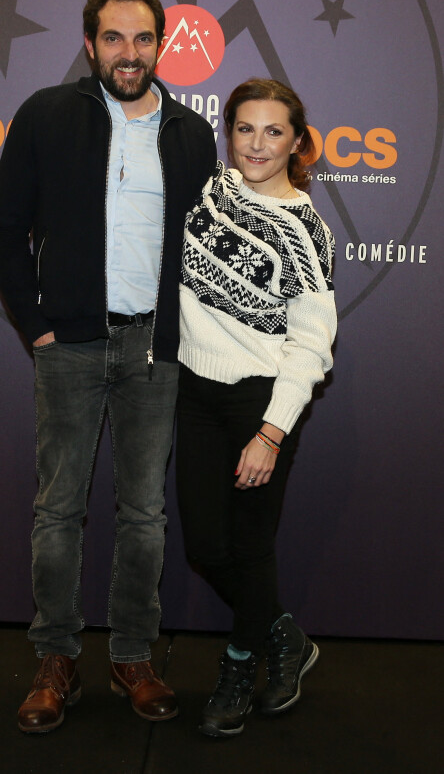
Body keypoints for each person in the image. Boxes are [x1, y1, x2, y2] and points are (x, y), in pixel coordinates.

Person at [0, 0, 217, 733]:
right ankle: (56, 659)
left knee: (144, 515)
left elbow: (201, 247)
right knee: (58, 510)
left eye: (143, 38)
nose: (128, 53)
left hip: (156, 348)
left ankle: (130, 656)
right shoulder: (47, 115)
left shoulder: (190, 133)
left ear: (161, 45)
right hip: (71, 345)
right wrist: (37, 324)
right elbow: (8, 226)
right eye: (113, 38)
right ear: (90, 44)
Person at [176, 78, 336, 738]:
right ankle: (284, 637)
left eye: (274, 132)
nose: (258, 144)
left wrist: (270, 433)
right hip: (194, 393)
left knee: (248, 547)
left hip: (260, 404)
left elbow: (312, 343)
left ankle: (242, 662)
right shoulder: (208, 189)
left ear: (298, 142)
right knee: (205, 545)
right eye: (245, 128)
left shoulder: (305, 231)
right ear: (228, 131)